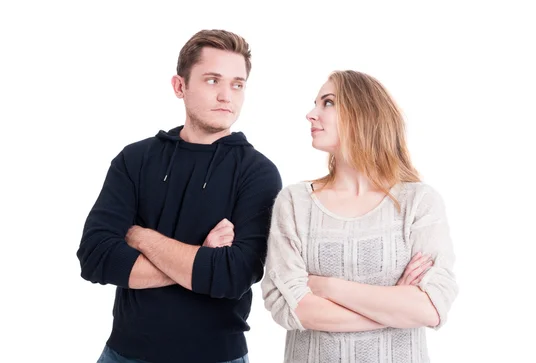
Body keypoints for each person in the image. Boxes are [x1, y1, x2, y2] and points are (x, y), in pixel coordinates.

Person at [77, 29, 282, 363]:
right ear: (180, 86)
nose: (226, 96)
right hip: (124, 354)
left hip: (216, 356)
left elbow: (233, 276)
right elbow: (96, 257)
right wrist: (201, 259)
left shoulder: (257, 173)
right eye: (213, 80)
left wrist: (140, 236)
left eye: (237, 84)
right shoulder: (135, 159)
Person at [261, 70, 458, 362]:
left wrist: (327, 286)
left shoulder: (418, 202)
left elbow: (430, 306)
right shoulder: (295, 202)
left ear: (363, 113)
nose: (311, 114)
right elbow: (289, 306)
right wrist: (392, 309)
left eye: (327, 102)